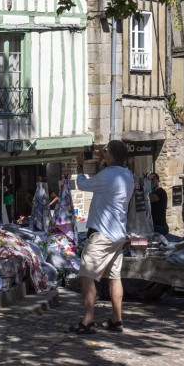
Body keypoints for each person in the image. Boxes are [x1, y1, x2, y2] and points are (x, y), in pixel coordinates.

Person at [73, 139, 135, 334]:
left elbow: (82, 185)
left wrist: (81, 165)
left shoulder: (108, 175)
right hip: (118, 235)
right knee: (114, 277)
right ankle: (117, 319)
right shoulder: (127, 175)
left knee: (86, 275)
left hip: (102, 234)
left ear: (110, 157)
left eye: (106, 153)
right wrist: (105, 156)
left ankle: (88, 319)